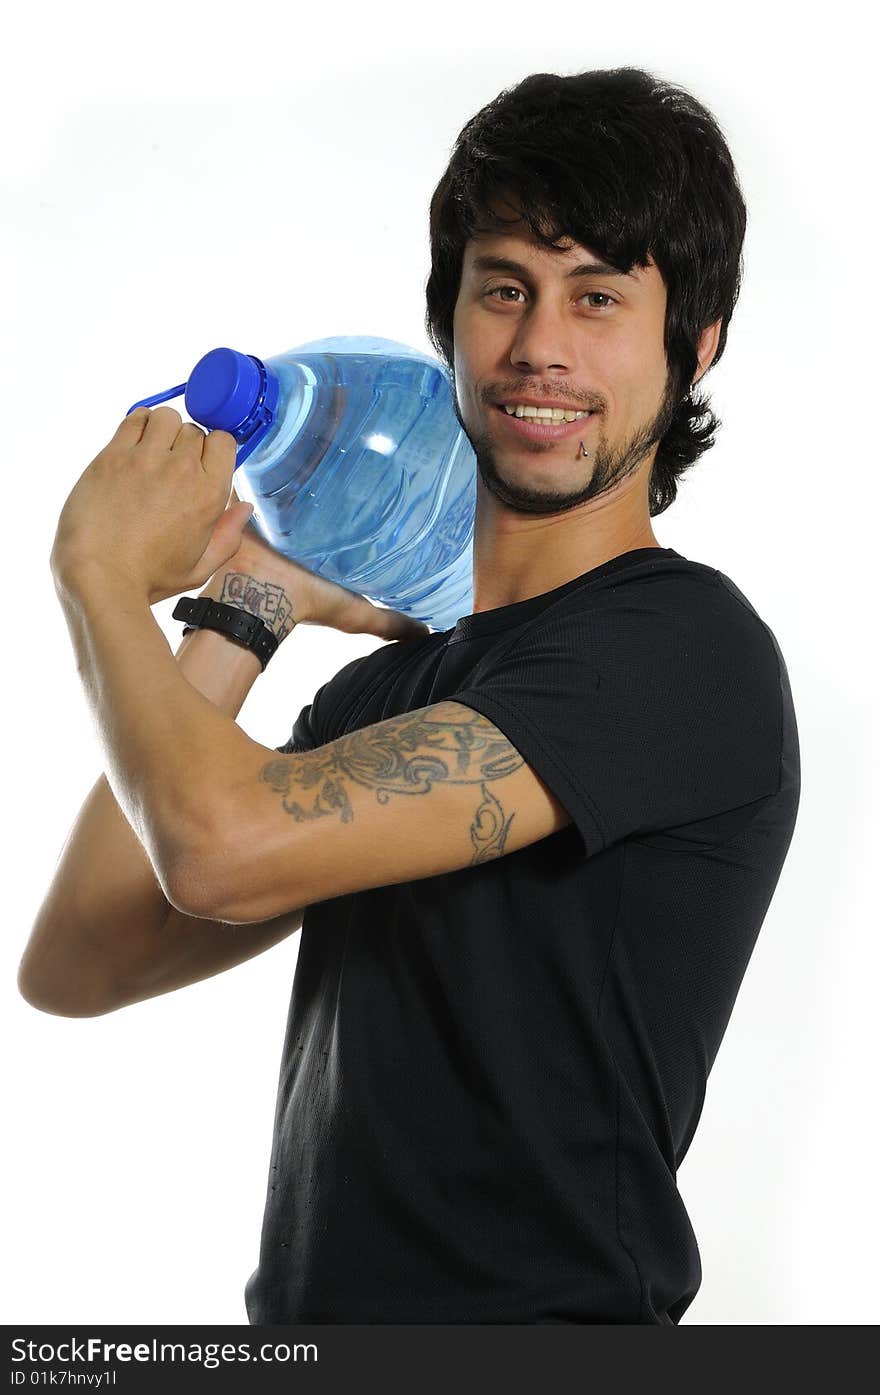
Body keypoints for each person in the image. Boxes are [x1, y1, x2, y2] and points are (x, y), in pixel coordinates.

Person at [21, 66, 800, 1325]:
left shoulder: (678, 646)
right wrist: (251, 599)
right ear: (447, 328)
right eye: (504, 289)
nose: (540, 344)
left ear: (691, 343)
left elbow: (220, 850)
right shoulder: (392, 693)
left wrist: (103, 579)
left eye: (598, 296)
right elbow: (83, 958)